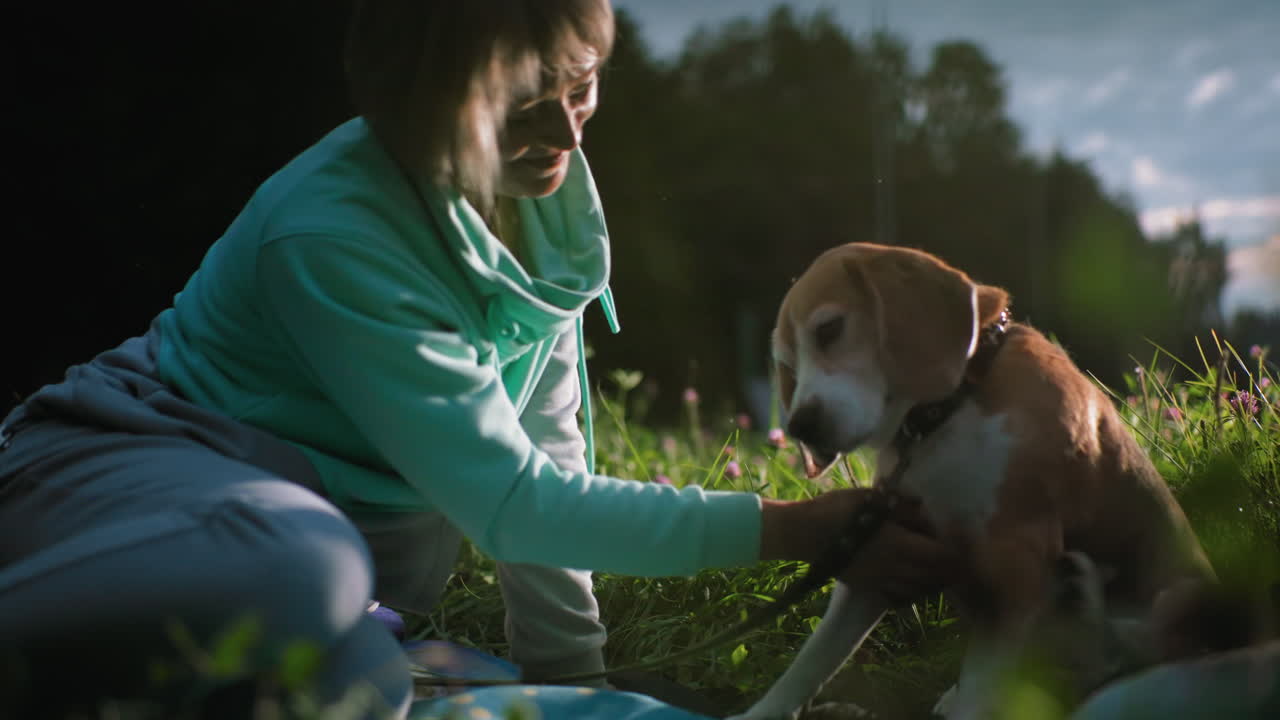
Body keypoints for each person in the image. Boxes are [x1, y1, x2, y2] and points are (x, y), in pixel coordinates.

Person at [0, 1, 958, 718]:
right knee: (300, 568)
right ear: (416, 107)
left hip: (335, 585)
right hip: (118, 483)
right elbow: (510, 503)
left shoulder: (549, 206)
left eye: (580, 87)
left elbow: (546, 462)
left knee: (361, 674)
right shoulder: (330, 235)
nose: (567, 134)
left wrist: (575, 681)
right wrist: (797, 528)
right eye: (521, 110)